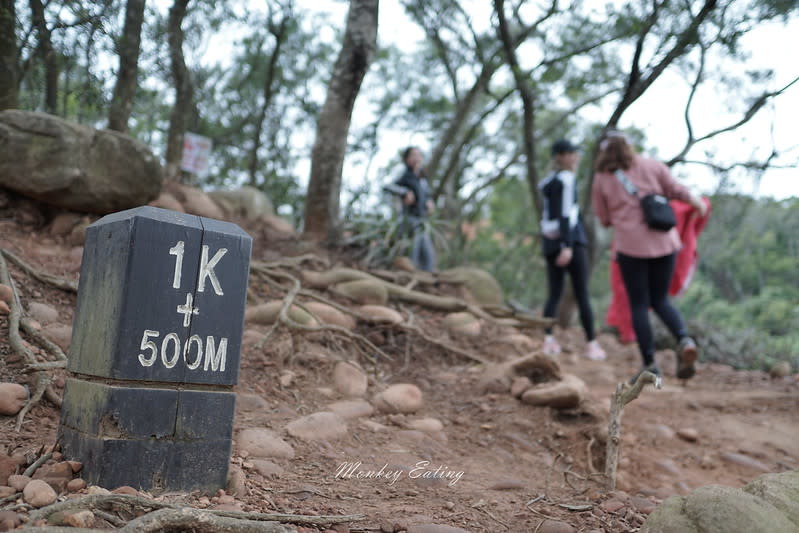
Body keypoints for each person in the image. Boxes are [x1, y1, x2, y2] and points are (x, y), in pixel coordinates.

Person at [591, 130, 708, 382]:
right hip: (665, 243)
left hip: (630, 248)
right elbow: (676, 189)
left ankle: (650, 364)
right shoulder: (652, 165)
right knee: (661, 300)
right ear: (629, 147)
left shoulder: (602, 178)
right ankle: (683, 338)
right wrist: (696, 203)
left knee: (639, 304)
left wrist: (623, 215)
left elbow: (603, 217)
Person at [539, 139, 606, 361]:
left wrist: (556, 244)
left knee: (555, 292)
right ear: (559, 156)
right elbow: (566, 214)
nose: (575, 157)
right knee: (581, 293)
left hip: (551, 243)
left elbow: (550, 216)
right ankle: (591, 344)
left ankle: (548, 339)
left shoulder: (547, 182)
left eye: (576, 153)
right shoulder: (566, 179)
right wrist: (566, 245)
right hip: (571, 243)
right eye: (570, 153)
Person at [384, 146, 436, 271]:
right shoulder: (405, 176)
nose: (416, 158)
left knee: (428, 257)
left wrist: (430, 202)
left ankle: (425, 282)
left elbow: (427, 195)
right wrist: (405, 192)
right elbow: (388, 187)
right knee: (412, 253)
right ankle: (406, 277)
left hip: (422, 222)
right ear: (406, 159)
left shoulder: (422, 179)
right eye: (413, 155)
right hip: (409, 221)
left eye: (419, 155)